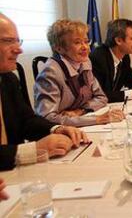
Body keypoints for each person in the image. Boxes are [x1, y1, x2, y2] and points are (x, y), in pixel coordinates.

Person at [0, 13, 88, 171]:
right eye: (8, 41)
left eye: (17, 41)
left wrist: (56, 128)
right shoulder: (51, 71)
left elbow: (27, 121)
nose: (19, 50)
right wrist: (33, 150)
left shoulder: (8, 79)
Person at [34, 19, 109, 127]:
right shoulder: (50, 72)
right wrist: (95, 120)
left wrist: (80, 111)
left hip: (77, 125)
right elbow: (47, 119)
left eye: (86, 41)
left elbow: (101, 97)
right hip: (57, 134)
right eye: (77, 42)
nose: (85, 47)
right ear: (59, 48)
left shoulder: (85, 63)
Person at [90, 19, 132, 103]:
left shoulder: (125, 56)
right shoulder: (98, 57)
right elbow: (100, 95)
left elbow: (131, 81)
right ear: (118, 40)